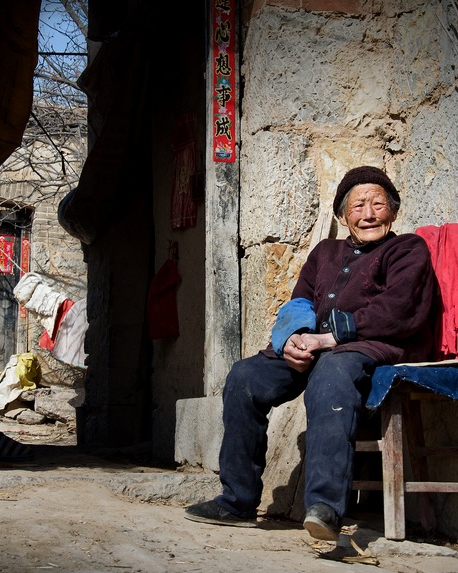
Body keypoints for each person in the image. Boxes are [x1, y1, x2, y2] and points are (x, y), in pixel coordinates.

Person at [183, 166, 438, 541]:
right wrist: (294, 338)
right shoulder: (325, 252)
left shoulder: (407, 249)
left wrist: (329, 339)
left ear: (394, 211)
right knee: (245, 376)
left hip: (372, 345)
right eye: (357, 206)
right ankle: (236, 501)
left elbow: (399, 309)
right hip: (316, 345)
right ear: (342, 215)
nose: (368, 214)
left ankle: (325, 507)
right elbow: (300, 299)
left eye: (378, 204)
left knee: (331, 376)